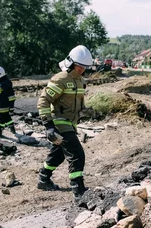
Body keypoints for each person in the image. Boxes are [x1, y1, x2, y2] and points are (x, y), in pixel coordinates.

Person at [37, 45, 91, 202]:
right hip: (59, 122)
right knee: (77, 155)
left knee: (58, 155)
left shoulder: (80, 81)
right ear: (71, 62)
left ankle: (43, 179)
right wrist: (48, 125)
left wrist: (85, 111)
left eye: (84, 68)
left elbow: (77, 102)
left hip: (71, 123)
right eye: (79, 67)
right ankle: (78, 191)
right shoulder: (60, 79)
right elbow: (43, 100)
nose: (82, 70)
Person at [0, 66, 16, 137]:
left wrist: (11, 107)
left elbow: (11, 96)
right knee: (7, 118)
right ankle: (12, 128)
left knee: (1, 119)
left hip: (3, 106)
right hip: (0, 104)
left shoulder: (6, 83)